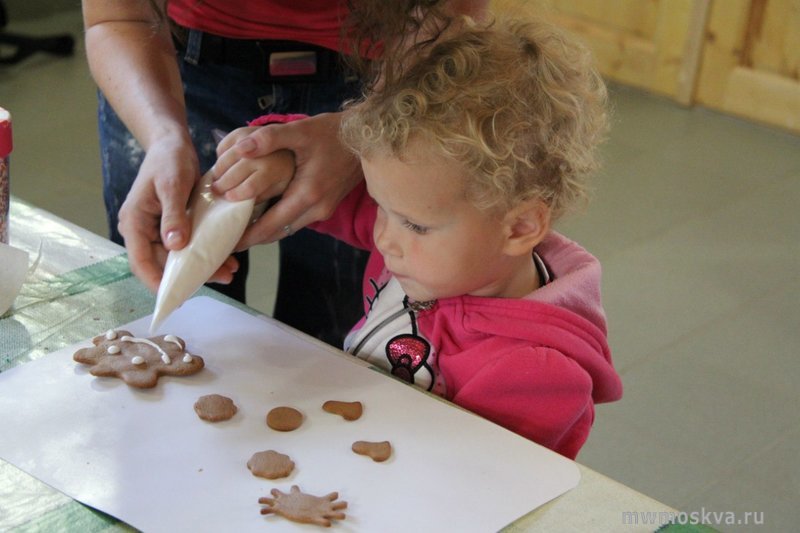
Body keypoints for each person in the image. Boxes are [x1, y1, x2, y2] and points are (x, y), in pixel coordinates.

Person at [214, 16, 623, 458]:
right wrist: (275, 167)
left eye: (413, 224)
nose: (384, 238)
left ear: (520, 227)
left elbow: (477, 490)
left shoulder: (532, 375)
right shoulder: (430, 241)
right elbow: (329, 197)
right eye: (381, 206)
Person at [81, 0, 487, 346]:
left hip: (385, 73)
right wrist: (163, 136)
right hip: (175, 69)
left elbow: (452, 14)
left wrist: (362, 131)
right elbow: (118, 17)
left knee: (333, 331)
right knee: (168, 326)